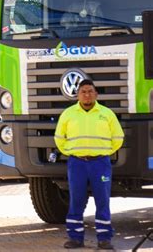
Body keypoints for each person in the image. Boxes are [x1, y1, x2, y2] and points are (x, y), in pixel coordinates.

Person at [54, 79, 124, 250]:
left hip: (100, 163)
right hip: (77, 163)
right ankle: (75, 238)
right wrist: (72, 152)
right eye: (83, 91)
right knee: (76, 201)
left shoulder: (106, 114)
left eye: (90, 91)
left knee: (102, 201)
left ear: (96, 94)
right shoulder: (68, 114)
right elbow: (59, 138)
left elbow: (118, 138)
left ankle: (104, 239)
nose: (87, 94)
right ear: (78, 95)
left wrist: (103, 151)